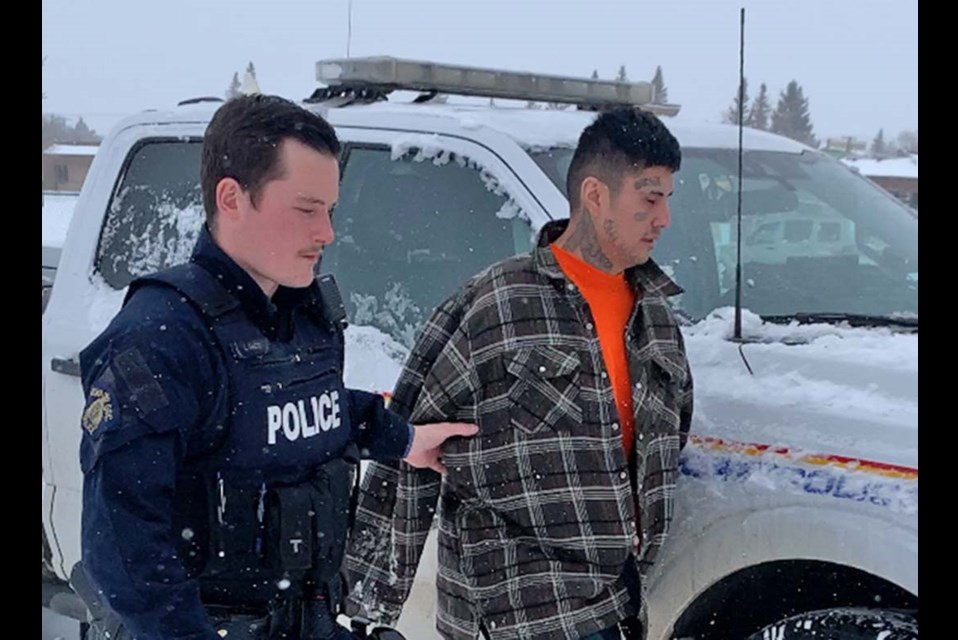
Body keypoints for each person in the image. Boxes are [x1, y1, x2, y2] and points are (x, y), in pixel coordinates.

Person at [77, 94, 477, 640]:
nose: (327, 234)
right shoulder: (161, 336)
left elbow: (307, 413)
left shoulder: (300, 313)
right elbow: (123, 552)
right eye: (306, 209)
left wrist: (406, 439)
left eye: (330, 211)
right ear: (232, 198)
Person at [344, 107, 693, 640]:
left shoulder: (657, 318)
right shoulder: (497, 306)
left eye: (668, 198)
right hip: (514, 611)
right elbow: (407, 446)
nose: (665, 218)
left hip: (617, 606)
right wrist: (371, 604)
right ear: (595, 195)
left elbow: (664, 447)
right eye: (650, 198)